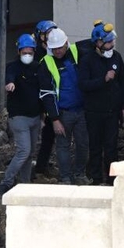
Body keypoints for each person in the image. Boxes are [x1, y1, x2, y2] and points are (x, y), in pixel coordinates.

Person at [77, 22, 124, 185]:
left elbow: (122, 84)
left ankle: (112, 179)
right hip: (94, 112)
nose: (111, 45)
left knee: (111, 147)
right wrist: (103, 79)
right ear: (98, 43)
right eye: (107, 42)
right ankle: (96, 178)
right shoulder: (87, 60)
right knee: (95, 146)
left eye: (112, 41)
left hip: (112, 112)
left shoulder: (117, 57)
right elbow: (84, 85)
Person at [38, 28, 90, 185]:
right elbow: (47, 94)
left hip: (81, 109)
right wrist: (54, 119)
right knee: (63, 146)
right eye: (54, 49)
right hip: (63, 113)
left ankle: (80, 174)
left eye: (60, 47)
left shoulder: (76, 52)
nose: (58, 51)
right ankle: (65, 177)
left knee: (83, 144)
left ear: (66, 43)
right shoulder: (46, 63)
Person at [0, 34, 42, 195]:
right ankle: (6, 182)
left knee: (29, 153)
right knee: (24, 151)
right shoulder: (13, 67)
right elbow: (10, 77)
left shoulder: (37, 67)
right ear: (19, 52)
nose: (27, 55)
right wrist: (10, 83)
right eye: (25, 52)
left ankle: (25, 183)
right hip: (19, 117)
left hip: (35, 117)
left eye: (30, 52)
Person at [33, 20, 57, 176]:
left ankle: (42, 165)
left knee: (49, 136)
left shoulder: (54, 51)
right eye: (46, 35)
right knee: (31, 139)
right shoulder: (34, 54)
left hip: (49, 99)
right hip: (35, 101)